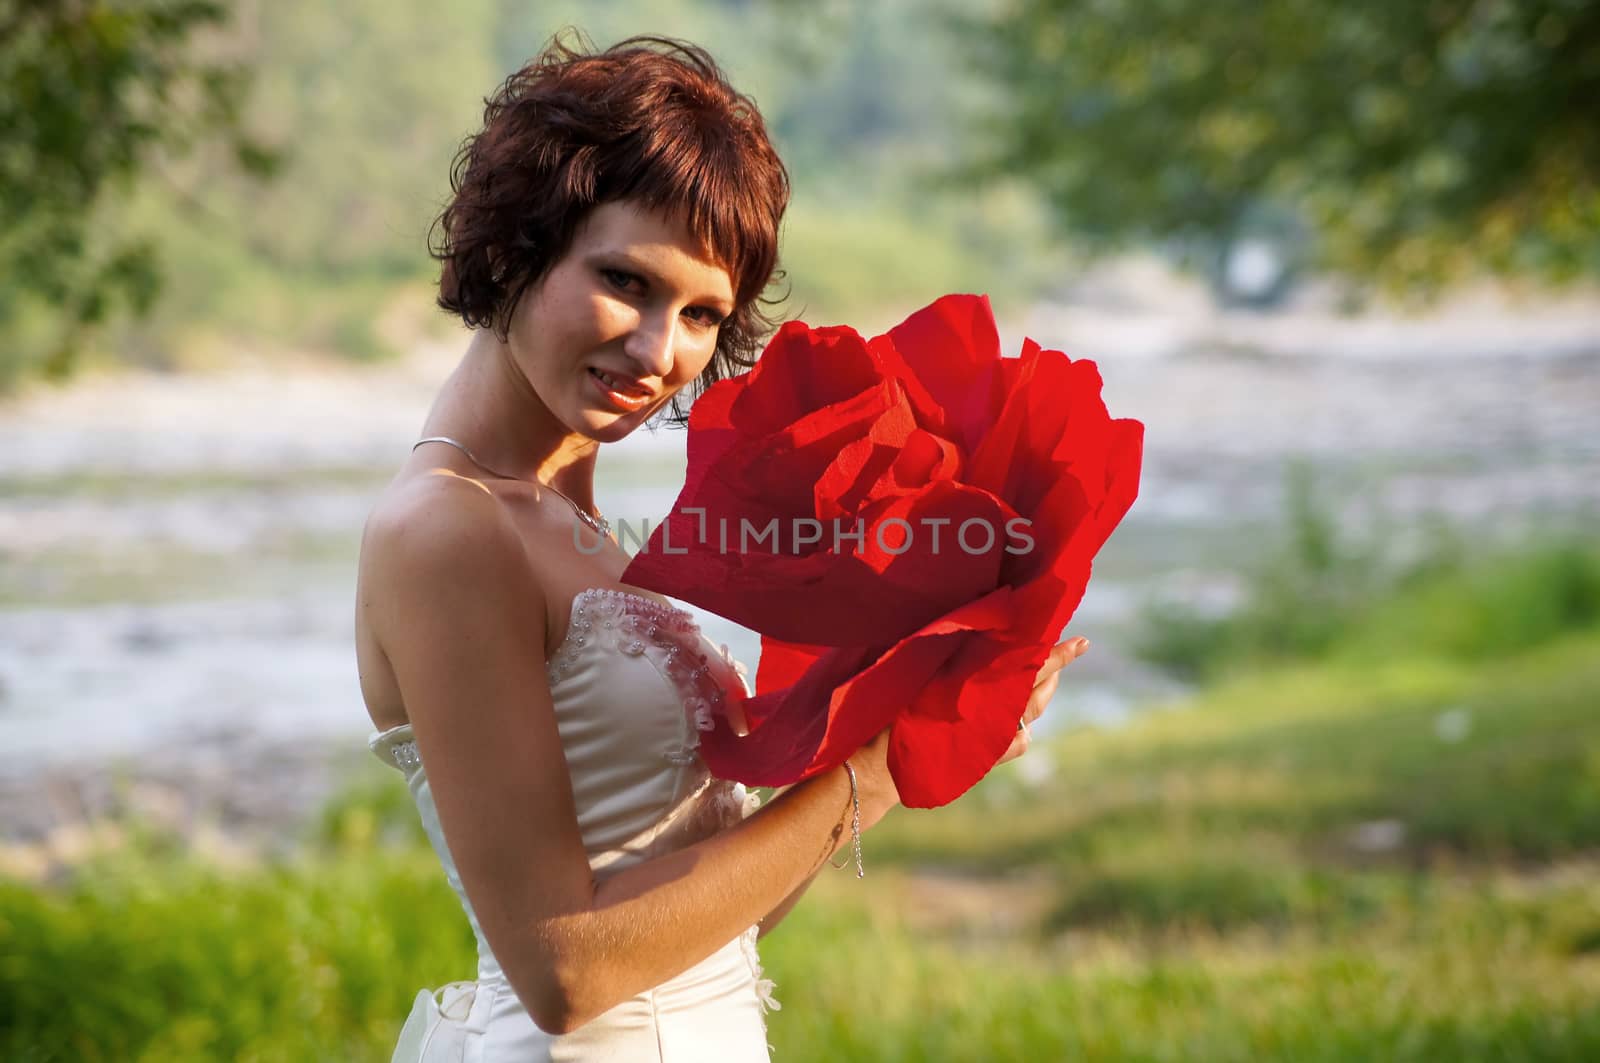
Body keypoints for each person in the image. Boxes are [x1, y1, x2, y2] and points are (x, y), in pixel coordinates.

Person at [355, 34, 1087, 1062]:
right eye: (624, 280)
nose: (661, 353)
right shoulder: (446, 531)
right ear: (518, 244)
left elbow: (707, 925)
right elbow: (566, 972)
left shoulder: (584, 530)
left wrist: (929, 710)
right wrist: (867, 780)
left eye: (703, 312)